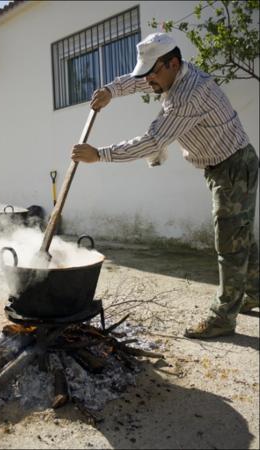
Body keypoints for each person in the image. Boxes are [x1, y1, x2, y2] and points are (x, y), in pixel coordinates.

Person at [71, 32, 259, 339]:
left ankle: (223, 316)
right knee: (241, 235)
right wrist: (109, 90)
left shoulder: (189, 96)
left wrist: (99, 155)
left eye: (153, 74)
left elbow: (154, 141)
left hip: (233, 167)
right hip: (225, 164)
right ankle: (255, 291)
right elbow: (139, 81)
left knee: (230, 242)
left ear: (173, 64)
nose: (149, 82)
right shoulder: (169, 73)